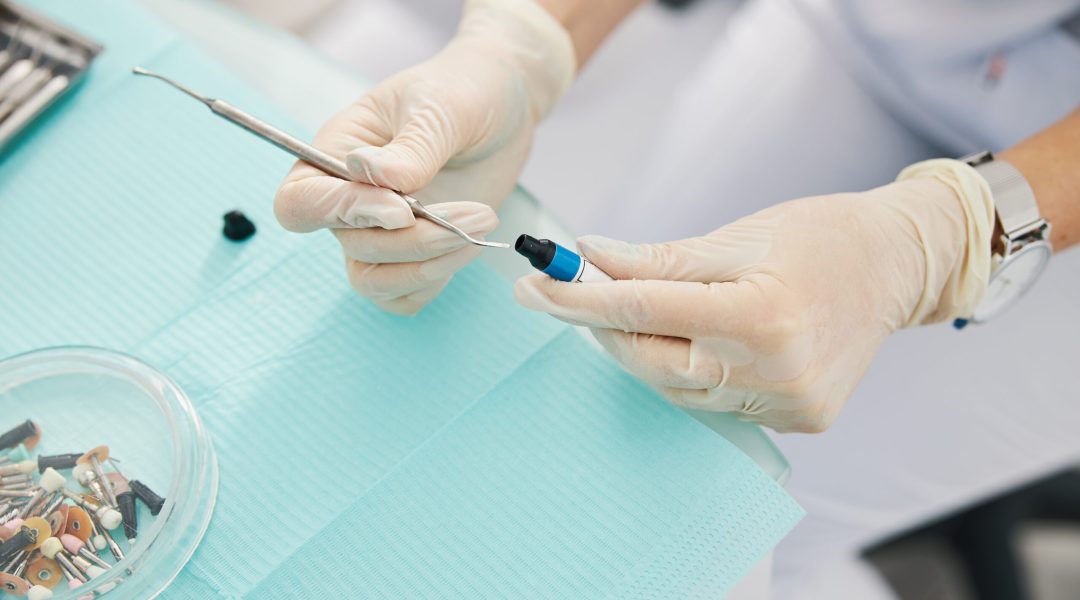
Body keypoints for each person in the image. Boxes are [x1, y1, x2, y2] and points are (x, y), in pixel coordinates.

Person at [273, 0, 1080, 596]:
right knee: (592, 404)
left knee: (749, 524)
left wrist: (950, 237)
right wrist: (524, 43)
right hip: (879, 34)